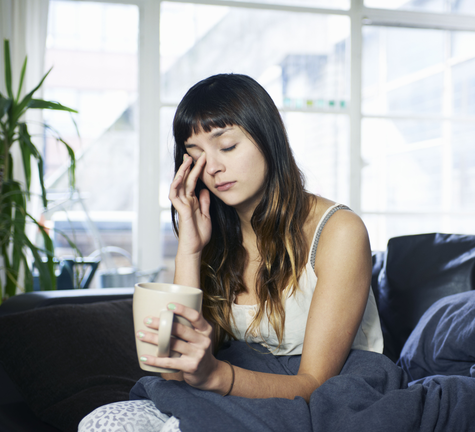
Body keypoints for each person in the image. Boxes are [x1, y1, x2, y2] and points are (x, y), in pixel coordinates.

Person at [79, 73, 383, 432]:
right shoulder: (216, 237)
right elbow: (171, 367)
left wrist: (215, 375)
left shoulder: (339, 231)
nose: (214, 168)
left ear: (268, 139)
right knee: (104, 423)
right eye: (196, 156)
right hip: (242, 386)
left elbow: (313, 384)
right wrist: (189, 250)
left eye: (226, 147)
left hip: (325, 397)